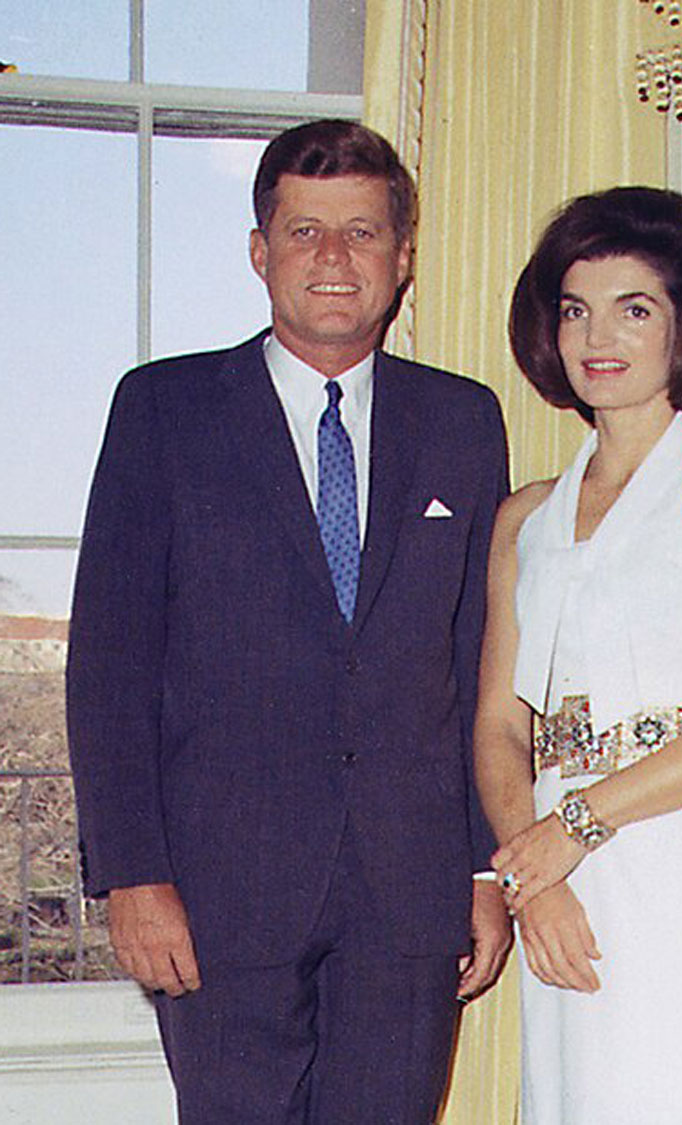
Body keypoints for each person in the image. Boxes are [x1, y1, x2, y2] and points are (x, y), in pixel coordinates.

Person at [67, 119, 511, 1124]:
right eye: (305, 231)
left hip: (408, 898)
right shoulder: (164, 411)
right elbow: (108, 663)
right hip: (221, 897)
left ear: (403, 260)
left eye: (361, 231)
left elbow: (478, 661)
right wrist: (131, 874)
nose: (333, 257)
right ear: (260, 251)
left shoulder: (463, 422)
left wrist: (484, 868)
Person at [474, 186, 682, 1123]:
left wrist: (571, 829)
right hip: (557, 878)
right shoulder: (523, 520)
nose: (596, 334)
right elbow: (501, 722)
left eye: (635, 307)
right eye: (576, 308)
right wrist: (530, 881)